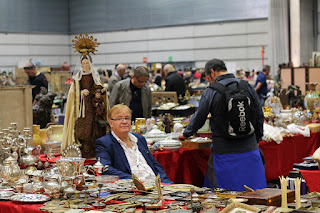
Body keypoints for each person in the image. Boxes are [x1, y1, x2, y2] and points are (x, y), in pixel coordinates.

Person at [179, 58, 266, 191]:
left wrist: (185, 134)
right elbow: (259, 115)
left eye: (208, 78)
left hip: (224, 153)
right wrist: (257, 139)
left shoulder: (211, 91)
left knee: (225, 199)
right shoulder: (246, 86)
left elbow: (199, 118)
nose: (209, 81)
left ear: (212, 72)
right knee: (257, 196)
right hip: (250, 150)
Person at [95, 104, 172, 183]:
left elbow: (155, 165)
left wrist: (167, 184)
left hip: (156, 186)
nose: (124, 121)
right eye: (119, 118)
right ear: (111, 123)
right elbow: (106, 169)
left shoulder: (139, 139)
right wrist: (136, 181)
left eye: (127, 118)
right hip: (133, 188)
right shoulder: (104, 143)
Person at [62, 54, 109, 159]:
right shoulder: (78, 77)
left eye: (87, 63)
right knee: (83, 127)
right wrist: (81, 92)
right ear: (81, 64)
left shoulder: (95, 76)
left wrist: (101, 91)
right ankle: (83, 149)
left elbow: (98, 87)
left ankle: (94, 150)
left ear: (90, 63)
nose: (86, 65)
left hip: (92, 104)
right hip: (82, 106)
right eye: (84, 63)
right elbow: (73, 93)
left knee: (94, 126)